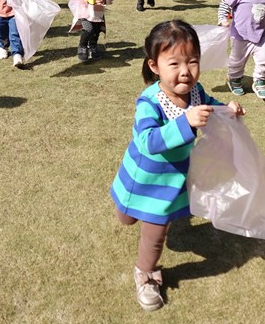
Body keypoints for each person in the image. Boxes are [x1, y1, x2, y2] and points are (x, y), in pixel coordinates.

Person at [110, 20, 245, 311]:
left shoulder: (196, 92)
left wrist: (227, 110)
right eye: (174, 63)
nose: (185, 71)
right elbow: (148, 141)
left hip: (169, 184)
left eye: (192, 61)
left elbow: (210, 106)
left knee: (155, 234)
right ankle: (128, 211)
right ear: (155, 66)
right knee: (127, 217)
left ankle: (145, 275)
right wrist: (185, 122)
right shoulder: (150, 102)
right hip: (141, 176)